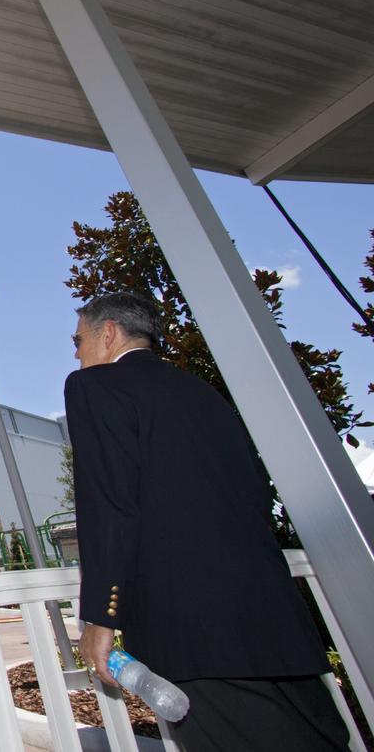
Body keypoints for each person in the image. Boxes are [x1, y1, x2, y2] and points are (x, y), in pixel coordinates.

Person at [65, 292, 346, 751]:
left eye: (78, 339)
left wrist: (101, 615)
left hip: (194, 634)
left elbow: (109, 503)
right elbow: (255, 494)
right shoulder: (205, 394)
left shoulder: (94, 387)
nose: (76, 352)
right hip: (278, 627)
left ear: (108, 332)